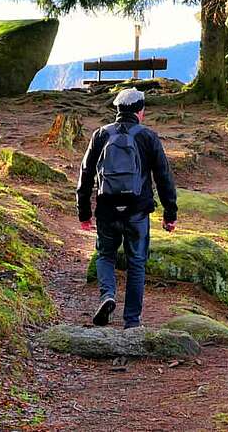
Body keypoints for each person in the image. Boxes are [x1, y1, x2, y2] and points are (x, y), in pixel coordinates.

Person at [77, 87, 178, 329]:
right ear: (140, 111)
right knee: (136, 263)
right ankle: (132, 321)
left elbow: (86, 174)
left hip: (107, 209)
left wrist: (84, 213)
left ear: (118, 109)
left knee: (105, 256)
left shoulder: (101, 135)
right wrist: (170, 214)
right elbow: (164, 177)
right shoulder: (148, 137)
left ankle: (107, 295)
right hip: (137, 211)